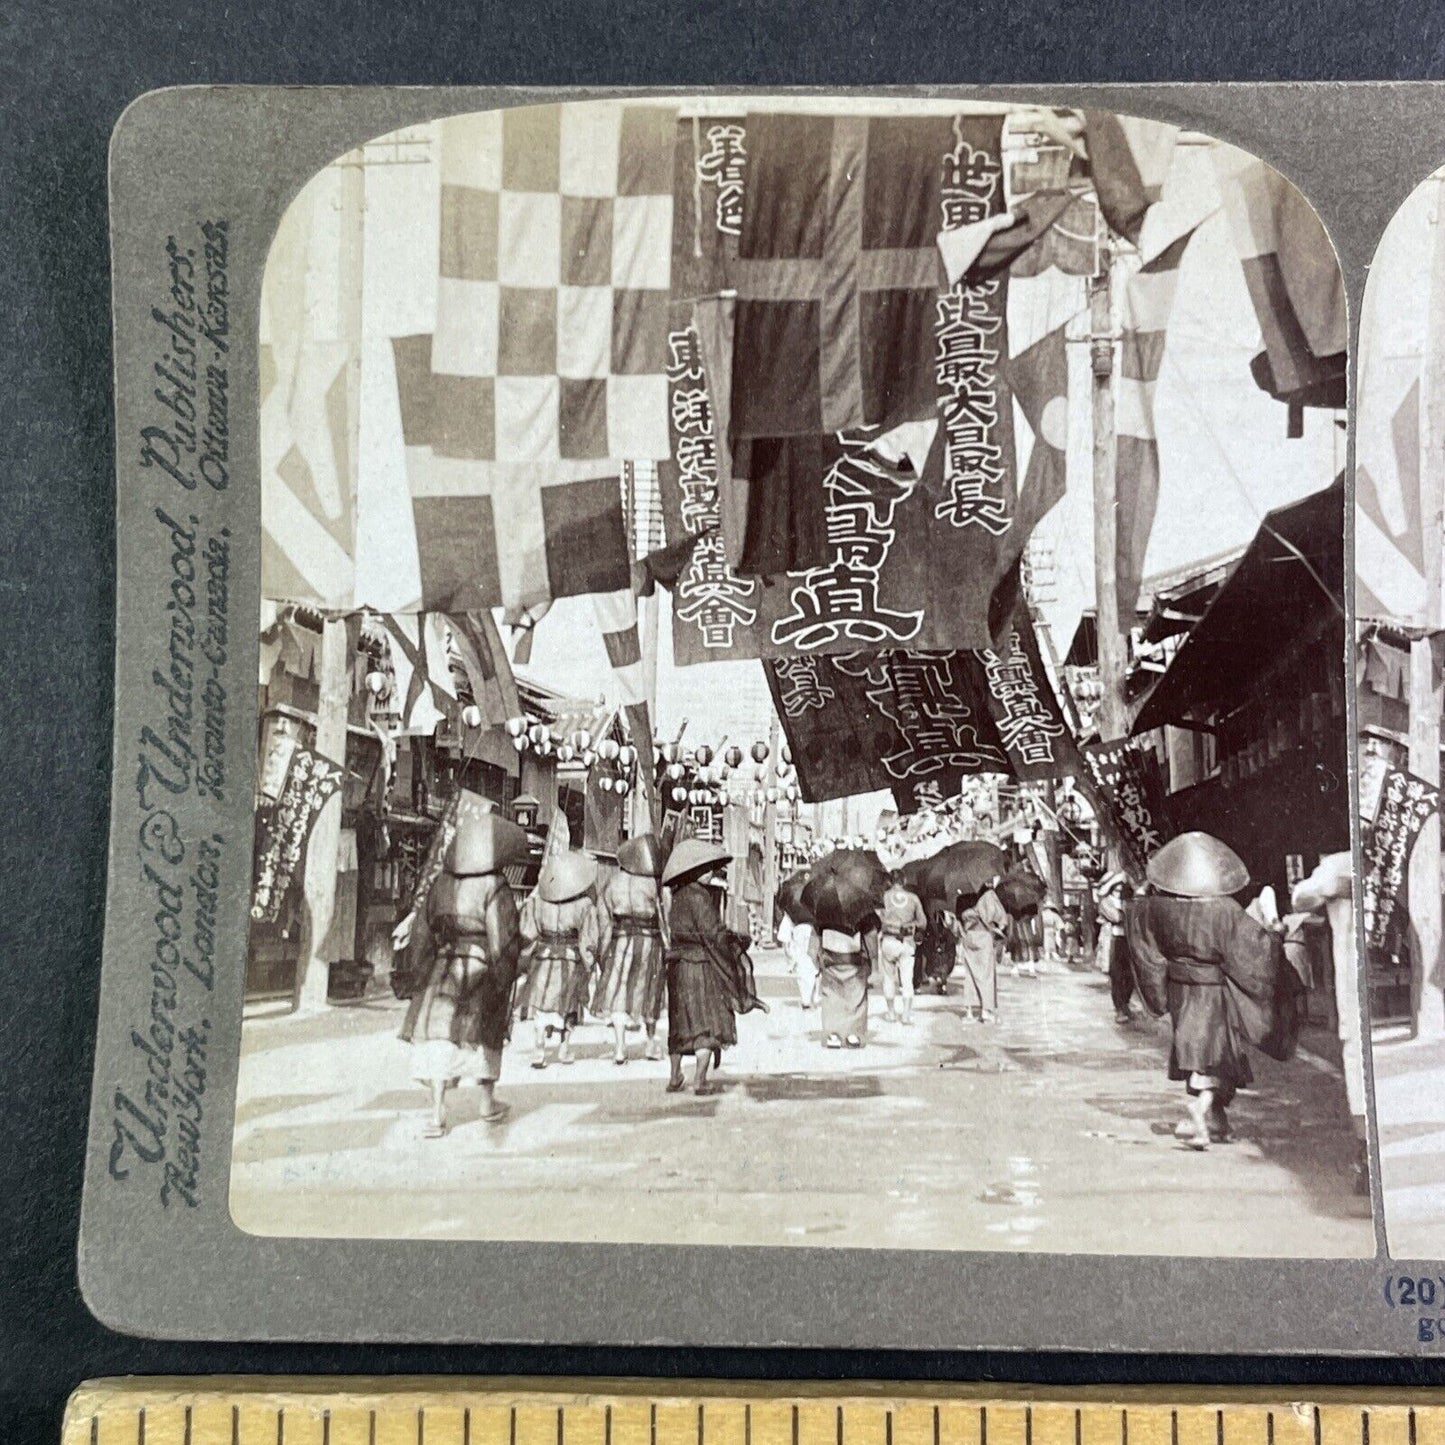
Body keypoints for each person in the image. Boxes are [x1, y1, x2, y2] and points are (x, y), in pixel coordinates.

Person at [1126, 831, 1299, 1151]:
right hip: (1212, 993)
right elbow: (1250, 949)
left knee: (1196, 1054)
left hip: (1181, 992)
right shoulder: (1223, 910)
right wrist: (1275, 934)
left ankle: (1218, 1122)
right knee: (1216, 1056)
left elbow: (1141, 931)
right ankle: (1200, 1116)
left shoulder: (1160, 909)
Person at [397, 810, 529, 1137]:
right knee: (484, 1035)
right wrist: (505, 974)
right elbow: (503, 937)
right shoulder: (494, 885)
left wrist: (420, 972)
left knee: (439, 1038)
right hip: (479, 966)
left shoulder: (440, 882)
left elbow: (422, 933)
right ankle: (486, 1102)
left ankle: (437, 1111)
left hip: (442, 965)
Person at [663, 837, 766, 1094]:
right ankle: (700, 1080)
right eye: (707, 869)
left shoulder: (677, 896)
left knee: (679, 1022)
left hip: (677, 967)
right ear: (697, 871)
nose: (711, 873)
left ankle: (675, 1076)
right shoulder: (700, 897)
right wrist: (735, 942)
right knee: (705, 1021)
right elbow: (713, 934)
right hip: (700, 966)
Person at [1291, 851, 1368, 1194]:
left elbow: (1300, 898)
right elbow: (1300, 898)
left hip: (1370, 997)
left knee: (1361, 1069)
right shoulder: (1341, 864)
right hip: (1362, 993)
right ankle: (1367, 1156)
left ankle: (1368, 1156)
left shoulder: (1342, 863)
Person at [517, 850, 602, 1070]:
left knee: (542, 1003)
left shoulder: (537, 903)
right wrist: (590, 960)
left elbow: (528, 932)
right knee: (568, 1004)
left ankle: (539, 1046)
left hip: (543, 957)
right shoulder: (583, 906)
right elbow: (589, 938)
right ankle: (564, 1047)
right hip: (570, 958)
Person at [591, 832, 667, 1065]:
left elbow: (604, 920)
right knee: (649, 989)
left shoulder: (613, 883)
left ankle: (620, 1047)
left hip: (620, 940)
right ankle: (651, 1043)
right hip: (649, 942)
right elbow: (665, 917)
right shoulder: (655, 884)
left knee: (618, 991)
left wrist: (601, 952)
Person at [943, 879, 1009, 1022]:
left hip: (969, 937)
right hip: (983, 936)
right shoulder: (988, 895)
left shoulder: (962, 897)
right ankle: (986, 1011)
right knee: (986, 974)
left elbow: (957, 922)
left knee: (970, 974)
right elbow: (1002, 919)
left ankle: (969, 1012)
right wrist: (997, 929)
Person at [877, 872, 927, 1024]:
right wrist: (909, 924)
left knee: (888, 977)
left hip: (888, 940)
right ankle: (905, 1014)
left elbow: (877, 919)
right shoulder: (913, 898)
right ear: (904, 881)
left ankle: (891, 1013)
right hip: (907, 941)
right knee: (907, 979)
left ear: (890, 881)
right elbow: (923, 922)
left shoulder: (883, 897)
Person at [818, 918, 873, 1047]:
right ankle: (853, 1034)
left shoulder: (824, 910)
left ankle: (833, 1035)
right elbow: (871, 937)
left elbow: (816, 937)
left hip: (831, 958)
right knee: (856, 997)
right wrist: (871, 959)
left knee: (831, 997)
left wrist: (818, 957)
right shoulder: (862, 912)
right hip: (854, 958)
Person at [1095, 871, 1135, 1024]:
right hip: (1114, 940)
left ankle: (1125, 1004)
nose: (1119, 891)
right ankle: (1120, 1007)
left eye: (1122, 888)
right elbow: (1117, 917)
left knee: (1130, 976)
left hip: (1129, 941)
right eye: (1116, 888)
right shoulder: (1106, 902)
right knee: (1117, 976)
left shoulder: (1129, 901)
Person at [778, 909, 820, 1010]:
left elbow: (785, 933)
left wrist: (788, 951)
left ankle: (806, 999)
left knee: (803, 967)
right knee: (814, 966)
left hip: (798, 931)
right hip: (813, 930)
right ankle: (813, 997)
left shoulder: (793, 906)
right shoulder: (815, 903)